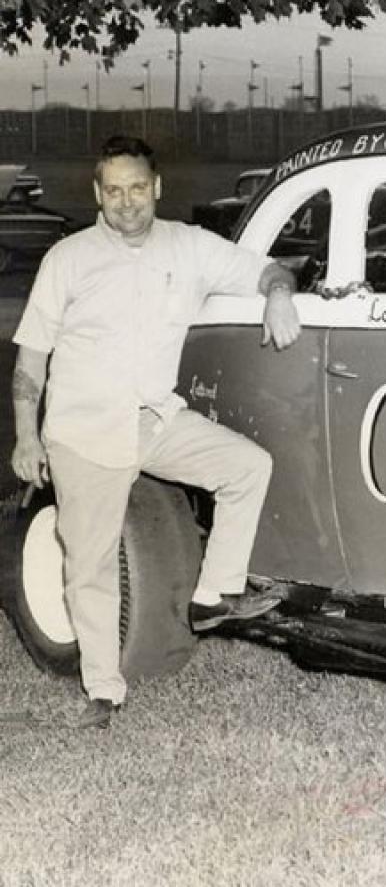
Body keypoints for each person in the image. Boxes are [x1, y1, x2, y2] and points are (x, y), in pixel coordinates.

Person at [9, 136, 302, 730]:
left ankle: (213, 594)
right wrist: (26, 436)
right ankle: (103, 692)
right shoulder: (68, 258)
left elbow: (268, 269)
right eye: (114, 191)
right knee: (90, 567)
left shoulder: (189, 246)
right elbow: (31, 356)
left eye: (137, 188)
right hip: (84, 430)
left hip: (154, 421)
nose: (127, 202)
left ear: (157, 187)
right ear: (97, 194)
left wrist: (278, 295)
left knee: (247, 467)